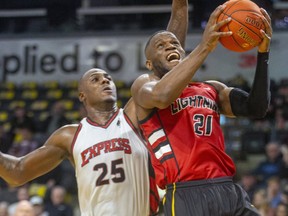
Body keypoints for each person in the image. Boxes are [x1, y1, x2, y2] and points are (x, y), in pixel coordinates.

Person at [0, 1, 189, 214]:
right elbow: (17, 172)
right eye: (95, 79)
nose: (105, 81)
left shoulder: (134, 115)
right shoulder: (69, 136)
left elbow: (166, 66)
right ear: (82, 95)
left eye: (108, 78)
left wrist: (179, 7)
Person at [131, 3, 272, 216]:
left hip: (228, 188)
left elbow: (257, 108)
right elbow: (162, 96)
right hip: (186, 192)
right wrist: (205, 46)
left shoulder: (211, 88)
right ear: (149, 64)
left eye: (174, 43)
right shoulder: (144, 86)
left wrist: (263, 53)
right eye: (161, 46)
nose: (170, 46)